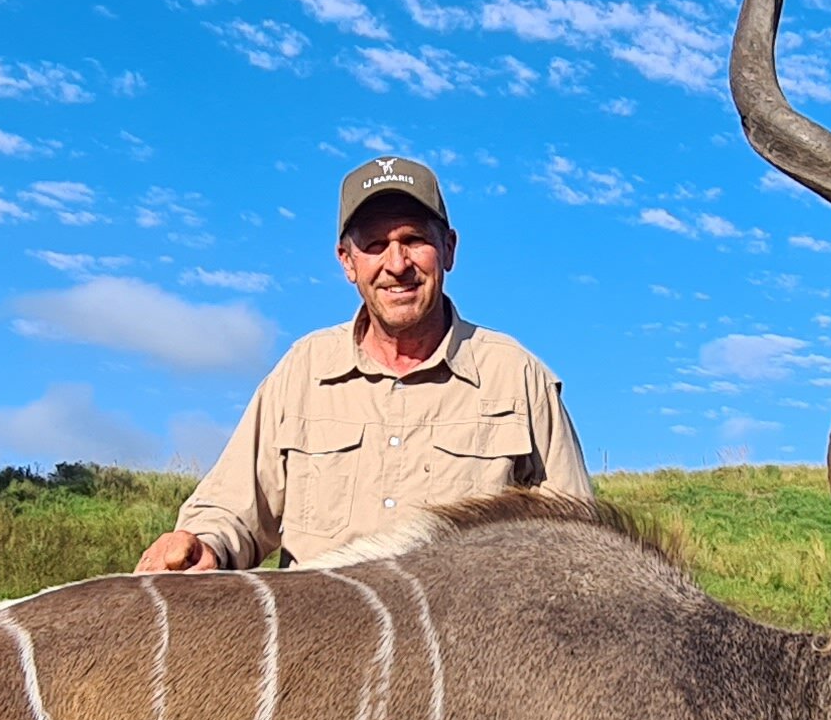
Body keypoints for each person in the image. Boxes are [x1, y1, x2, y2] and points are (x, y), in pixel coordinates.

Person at [138, 156, 590, 572]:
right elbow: (233, 508)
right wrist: (202, 544)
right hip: (318, 642)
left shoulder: (516, 376)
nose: (397, 264)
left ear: (449, 249)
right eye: (375, 244)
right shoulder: (304, 370)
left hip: (463, 651)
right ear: (347, 262)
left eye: (414, 240)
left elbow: (579, 542)